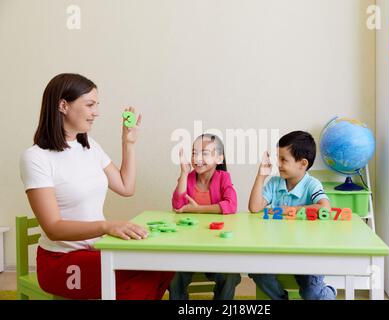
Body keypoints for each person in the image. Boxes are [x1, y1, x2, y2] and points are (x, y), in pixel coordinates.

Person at [19, 73, 173, 299]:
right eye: (90, 104)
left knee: (162, 264)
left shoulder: (89, 146)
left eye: (97, 105)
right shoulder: (36, 158)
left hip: (95, 250)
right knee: (143, 275)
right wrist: (105, 226)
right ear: (63, 105)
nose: (97, 112)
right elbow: (53, 227)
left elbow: (125, 187)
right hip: (61, 261)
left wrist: (128, 143)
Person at [248, 131, 337, 300]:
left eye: (283, 159)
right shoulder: (275, 183)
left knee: (311, 293)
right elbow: (254, 207)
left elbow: (325, 207)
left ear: (302, 164)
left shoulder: (311, 184)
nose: (278, 164)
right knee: (257, 271)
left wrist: (291, 210)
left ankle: (329, 293)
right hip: (277, 252)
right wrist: (261, 176)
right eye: (278, 158)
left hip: (308, 255)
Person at [170, 133, 241, 300]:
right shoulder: (188, 178)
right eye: (194, 152)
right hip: (189, 248)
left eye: (204, 153)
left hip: (217, 248)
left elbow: (231, 205)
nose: (197, 158)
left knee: (229, 277)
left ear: (219, 158)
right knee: (174, 279)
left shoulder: (223, 178)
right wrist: (184, 173)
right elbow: (178, 206)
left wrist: (198, 209)